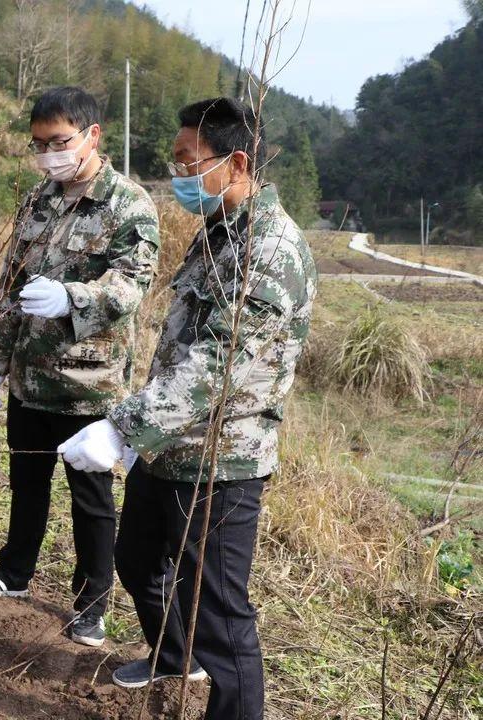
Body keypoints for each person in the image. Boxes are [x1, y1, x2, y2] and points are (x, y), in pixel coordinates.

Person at [59, 97, 317, 719]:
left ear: (235, 162)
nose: (176, 174)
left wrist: (120, 428)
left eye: (186, 161)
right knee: (137, 558)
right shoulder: (219, 233)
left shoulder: (268, 251)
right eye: (173, 160)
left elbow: (215, 368)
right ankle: (175, 655)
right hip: (172, 446)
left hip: (222, 462)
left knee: (222, 614)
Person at [0, 87, 161, 648]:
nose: (49, 153)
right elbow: (16, 289)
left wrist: (73, 297)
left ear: (93, 135)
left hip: (89, 384)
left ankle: (92, 603)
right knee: (26, 480)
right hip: (30, 374)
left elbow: (132, 284)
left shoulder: (128, 204)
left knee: (91, 499)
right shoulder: (40, 201)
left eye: (59, 141)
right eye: (39, 144)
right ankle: (14, 572)